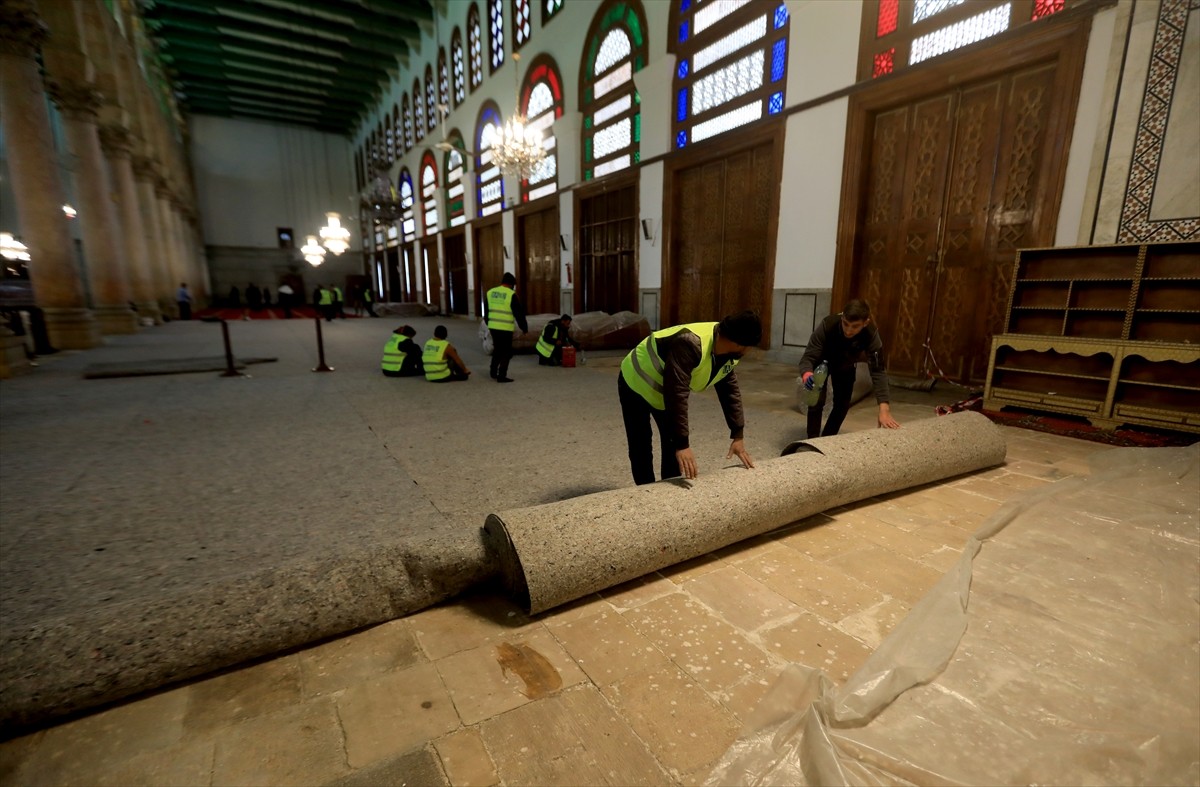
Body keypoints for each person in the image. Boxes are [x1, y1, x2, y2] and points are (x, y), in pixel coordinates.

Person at [618, 310, 762, 485]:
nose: (749, 351)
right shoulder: (690, 344)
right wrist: (683, 445)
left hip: (664, 391)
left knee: (672, 443)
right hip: (636, 381)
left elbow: (729, 390)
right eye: (750, 347)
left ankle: (667, 491)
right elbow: (677, 394)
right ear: (741, 345)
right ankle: (645, 491)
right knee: (640, 442)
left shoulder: (730, 354)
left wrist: (737, 434)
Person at [799, 298, 901, 439]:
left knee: (842, 405)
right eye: (845, 324)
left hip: (846, 365)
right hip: (822, 362)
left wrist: (884, 409)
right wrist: (807, 373)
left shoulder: (871, 335)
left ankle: (828, 439)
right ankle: (813, 439)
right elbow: (808, 357)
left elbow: (878, 371)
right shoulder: (828, 325)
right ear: (842, 317)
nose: (848, 330)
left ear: (865, 323)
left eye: (855, 326)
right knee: (816, 401)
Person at [484, 272, 528, 383]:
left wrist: (489, 324)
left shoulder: (490, 293)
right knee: (506, 352)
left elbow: (486, 312)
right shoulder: (511, 294)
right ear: (512, 284)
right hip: (505, 328)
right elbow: (519, 313)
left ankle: (493, 372)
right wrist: (524, 327)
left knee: (497, 349)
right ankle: (501, 375)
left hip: (493, 327)